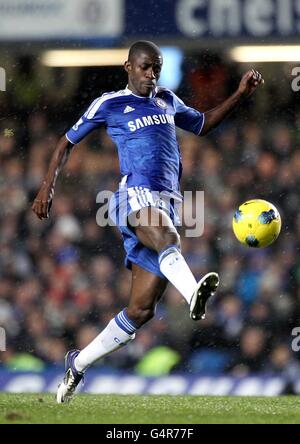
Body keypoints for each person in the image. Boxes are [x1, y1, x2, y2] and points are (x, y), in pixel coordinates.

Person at [32, 41, 263, 403]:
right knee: (168, 236)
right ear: (128, 67)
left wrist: (239, 94)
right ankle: (193, 295)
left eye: (156, 67)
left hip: (168, 200)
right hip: (133, 194)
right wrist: (47, 186)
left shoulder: (167, 100)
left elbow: (202, 124)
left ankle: (78, 364)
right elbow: (65, 143)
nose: (151, 74)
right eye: (144, 67)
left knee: (141, 310)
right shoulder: (109, 103)